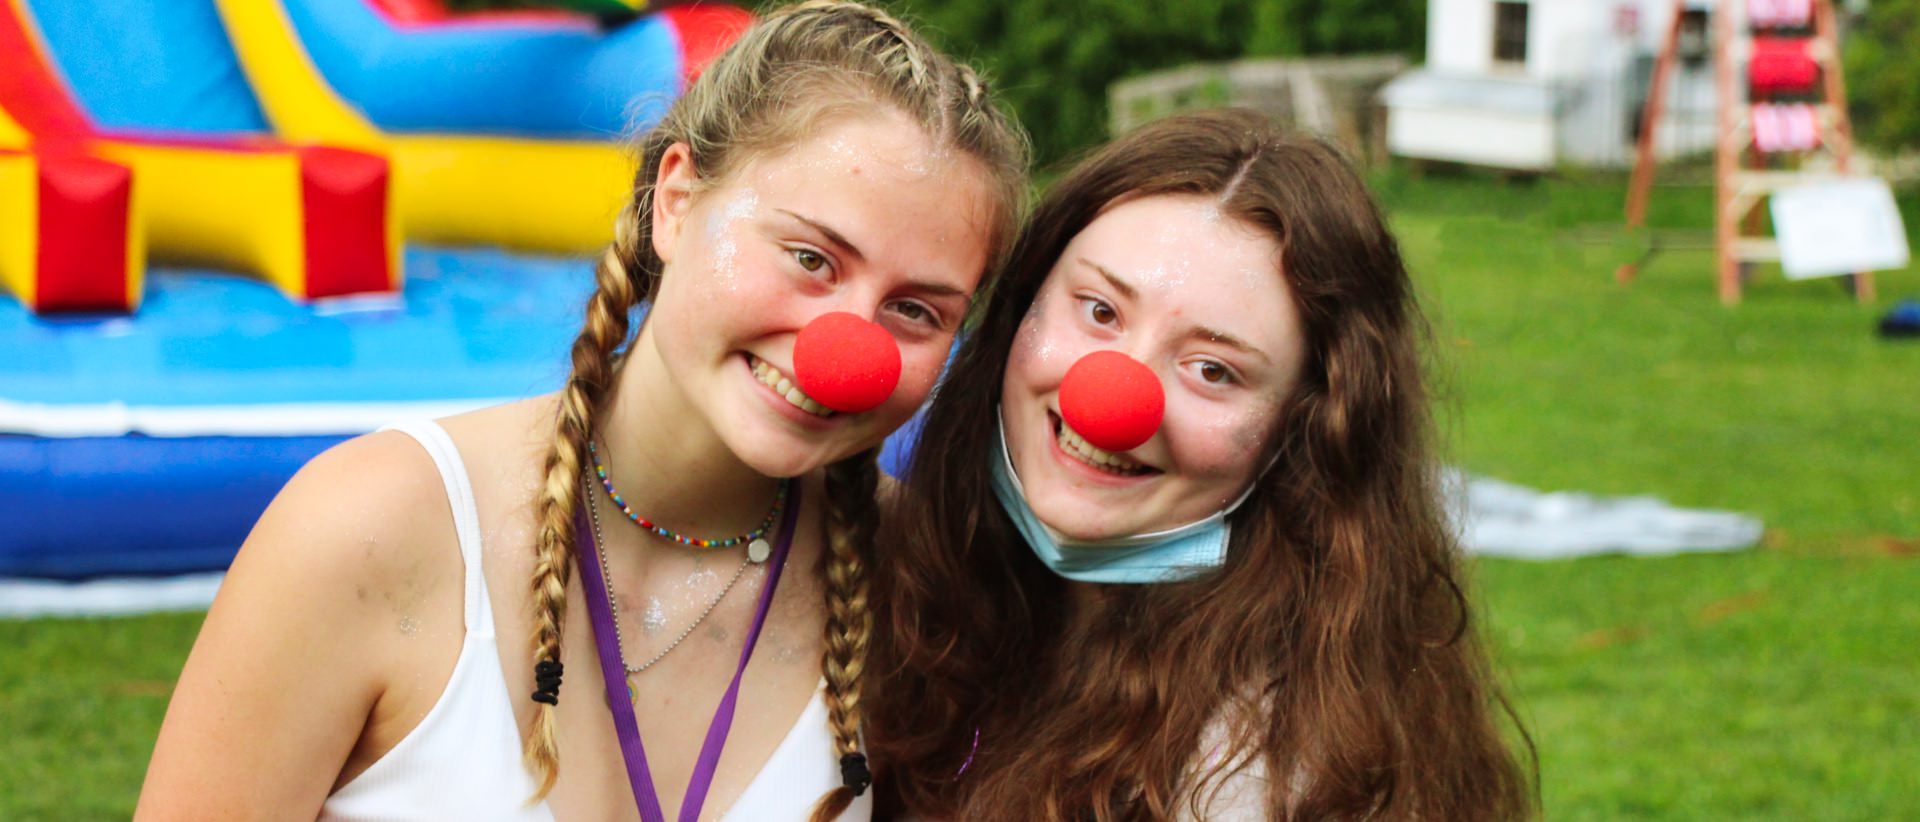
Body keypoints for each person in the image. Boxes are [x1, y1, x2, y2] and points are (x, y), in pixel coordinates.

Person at [136, 3, 1027, 819]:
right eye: (809, 257)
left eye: (916, 311)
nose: (849, 354)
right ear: (676, 201)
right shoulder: (368, 531)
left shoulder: (924, 589)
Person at [869, 109, 1533, 820]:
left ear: (1305, 431)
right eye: (1098, 310)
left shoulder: (1263, 776)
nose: (1111, 400)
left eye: (1213, 370)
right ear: (1019, 308)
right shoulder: (917, 570)